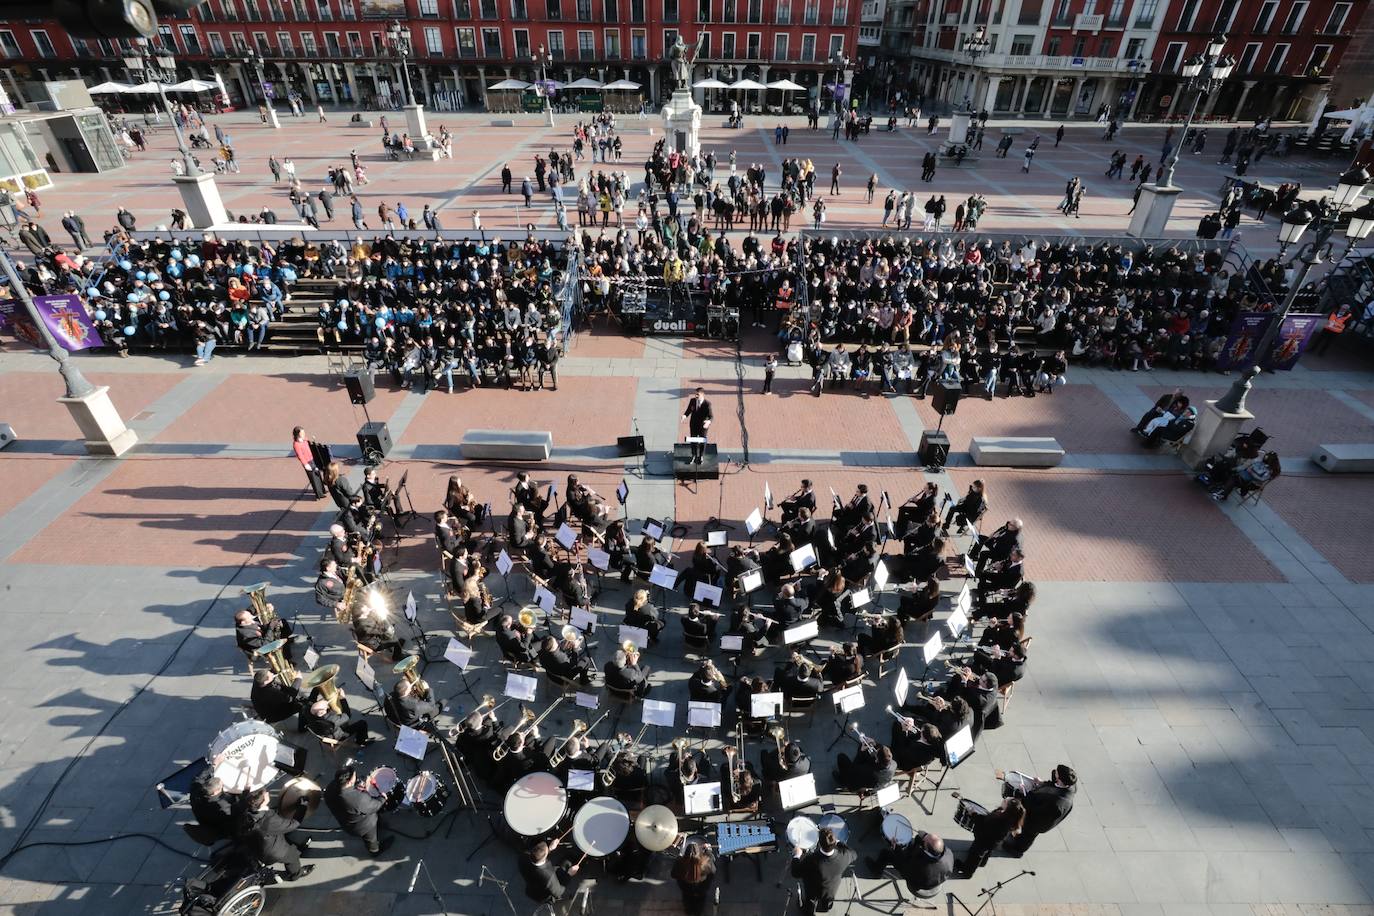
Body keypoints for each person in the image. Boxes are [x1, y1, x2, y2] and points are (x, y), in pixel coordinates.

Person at [236, 788, 314, 881]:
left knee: (284, 838)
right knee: (293, 857)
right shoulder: (268, 820)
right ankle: (295, 874)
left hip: (256, 844)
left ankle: (295, 848)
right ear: (263, 801)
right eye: (266, 794)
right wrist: (303, 806)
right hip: (271, 852)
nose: (268, 793)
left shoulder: (245, 808)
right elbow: (293, 824)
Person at [1001, 764, 1077, 855]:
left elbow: (1034, 809)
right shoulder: (1068, 784)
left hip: (1038, 822)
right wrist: (1043, 783)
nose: (1054, 772)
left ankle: (1017, 850)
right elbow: (1054, 786)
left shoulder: (1056, 803)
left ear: (1060, 779)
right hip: (1042, 811)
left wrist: (1026, 793)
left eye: (1056, 773)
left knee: (1027, 835)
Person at [324, 765, 394, 856]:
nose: (356, 778)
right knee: (371, 839)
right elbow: (373, 806)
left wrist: (357, 786)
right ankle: (375, 851)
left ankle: (378, 828)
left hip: (345, 820)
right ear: (349, 782)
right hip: (362, 825)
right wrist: (382, 799)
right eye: (354, 778)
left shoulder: (330, 787)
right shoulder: (357, 799)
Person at [866, 830, 954, 899]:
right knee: (918, 838)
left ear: (926, 848)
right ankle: (912, 849)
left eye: (925, 840)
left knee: (885, 853)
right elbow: (928, 843)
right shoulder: (949, 853)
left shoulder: (919, 867)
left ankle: (876, 871)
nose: (924, 836)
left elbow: (903, 867)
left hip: (919, 883)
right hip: (937, 880)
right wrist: (925, 836)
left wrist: (896, 848)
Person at [791, 826, 857, 916]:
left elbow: (795, 873)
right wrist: (838, 842)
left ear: (819, 843)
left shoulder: (811, 859)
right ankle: (826, 907)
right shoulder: (844, 856)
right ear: (834, 843)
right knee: (828, 900)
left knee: (810, 901)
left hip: (813, 889)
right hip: (831, 889)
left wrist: (797, 855)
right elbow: (854, 853)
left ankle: (808, 911)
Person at [957, 797, 1025, 877]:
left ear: (1007, 807)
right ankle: (982, 862)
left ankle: (968, 872)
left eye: (1005, 801)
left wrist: (973, 814)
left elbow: (982, 823)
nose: (1004, 799)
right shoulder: (1009, 817)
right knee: (986, 851)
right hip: (992, 842)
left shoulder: (999, 820)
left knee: (976, 855)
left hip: (984, 840)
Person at [519, 839, 579, 907]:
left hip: (531, 887)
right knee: (565, 868)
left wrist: (550, 849)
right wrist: (569, 874)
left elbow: (538, 857)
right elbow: (558, 892)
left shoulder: (523, 856)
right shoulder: (548, 877)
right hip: (543, 895)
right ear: (544, 858)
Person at [672, 841, 718, 914]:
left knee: (687, 899)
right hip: (702, 887)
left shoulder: (679, 862)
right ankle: (698, 912)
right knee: (700, 900)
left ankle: (689, 911)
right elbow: (713, 871)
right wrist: (708, 850)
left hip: (686, 888)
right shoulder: (706, 861)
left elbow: (673, 874)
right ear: (698, 852)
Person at [189, 771, 235, 840]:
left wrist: (213, 765)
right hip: (221, 829)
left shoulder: (195, 793)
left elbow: (198, 779)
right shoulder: (223, 805)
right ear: (215, 792)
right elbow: (237, 812)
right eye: (221, 786)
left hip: (204, 821)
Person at [681, 386, 713, 464]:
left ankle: (701, 456)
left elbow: (711, 416)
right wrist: (684, 416)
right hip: (694, 425)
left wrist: (708, 422)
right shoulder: (692, 401)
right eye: (695, 394)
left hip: (703, 426)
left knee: (702, 441)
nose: (696, 396)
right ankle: (694, 455)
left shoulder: (707, 404)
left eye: (697, 394)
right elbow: (688, 410)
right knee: (693, 440)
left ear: (702, 394)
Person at [291, 426, 326, 500]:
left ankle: (322, 490)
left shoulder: (304, 440)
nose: (304, 434)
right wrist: (305, 464)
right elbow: (300, 455)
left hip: (312, 459)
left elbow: (307, 441)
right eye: (302, 433)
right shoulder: (296, 444)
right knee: (314, 478)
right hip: (307, 462)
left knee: (317, 474)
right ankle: (319, 494)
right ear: (298, 434)